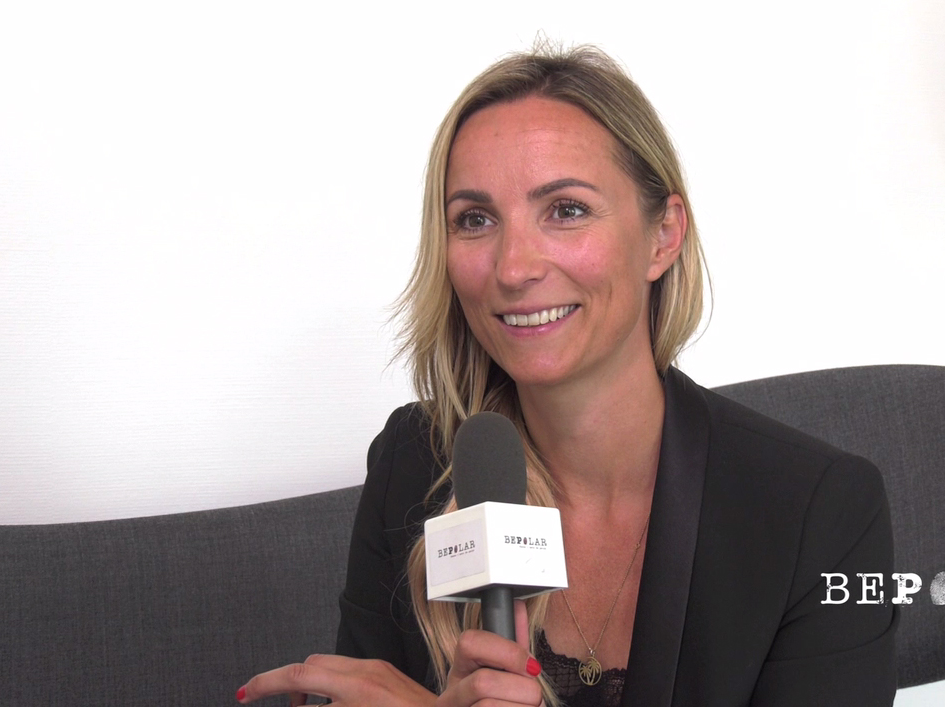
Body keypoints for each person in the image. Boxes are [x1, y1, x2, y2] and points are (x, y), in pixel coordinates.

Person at [237, 43, 897, 707]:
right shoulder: (414, 463)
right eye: (475, 219)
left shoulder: (817, 510)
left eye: (566, 209)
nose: (513, 267)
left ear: (663, 235)